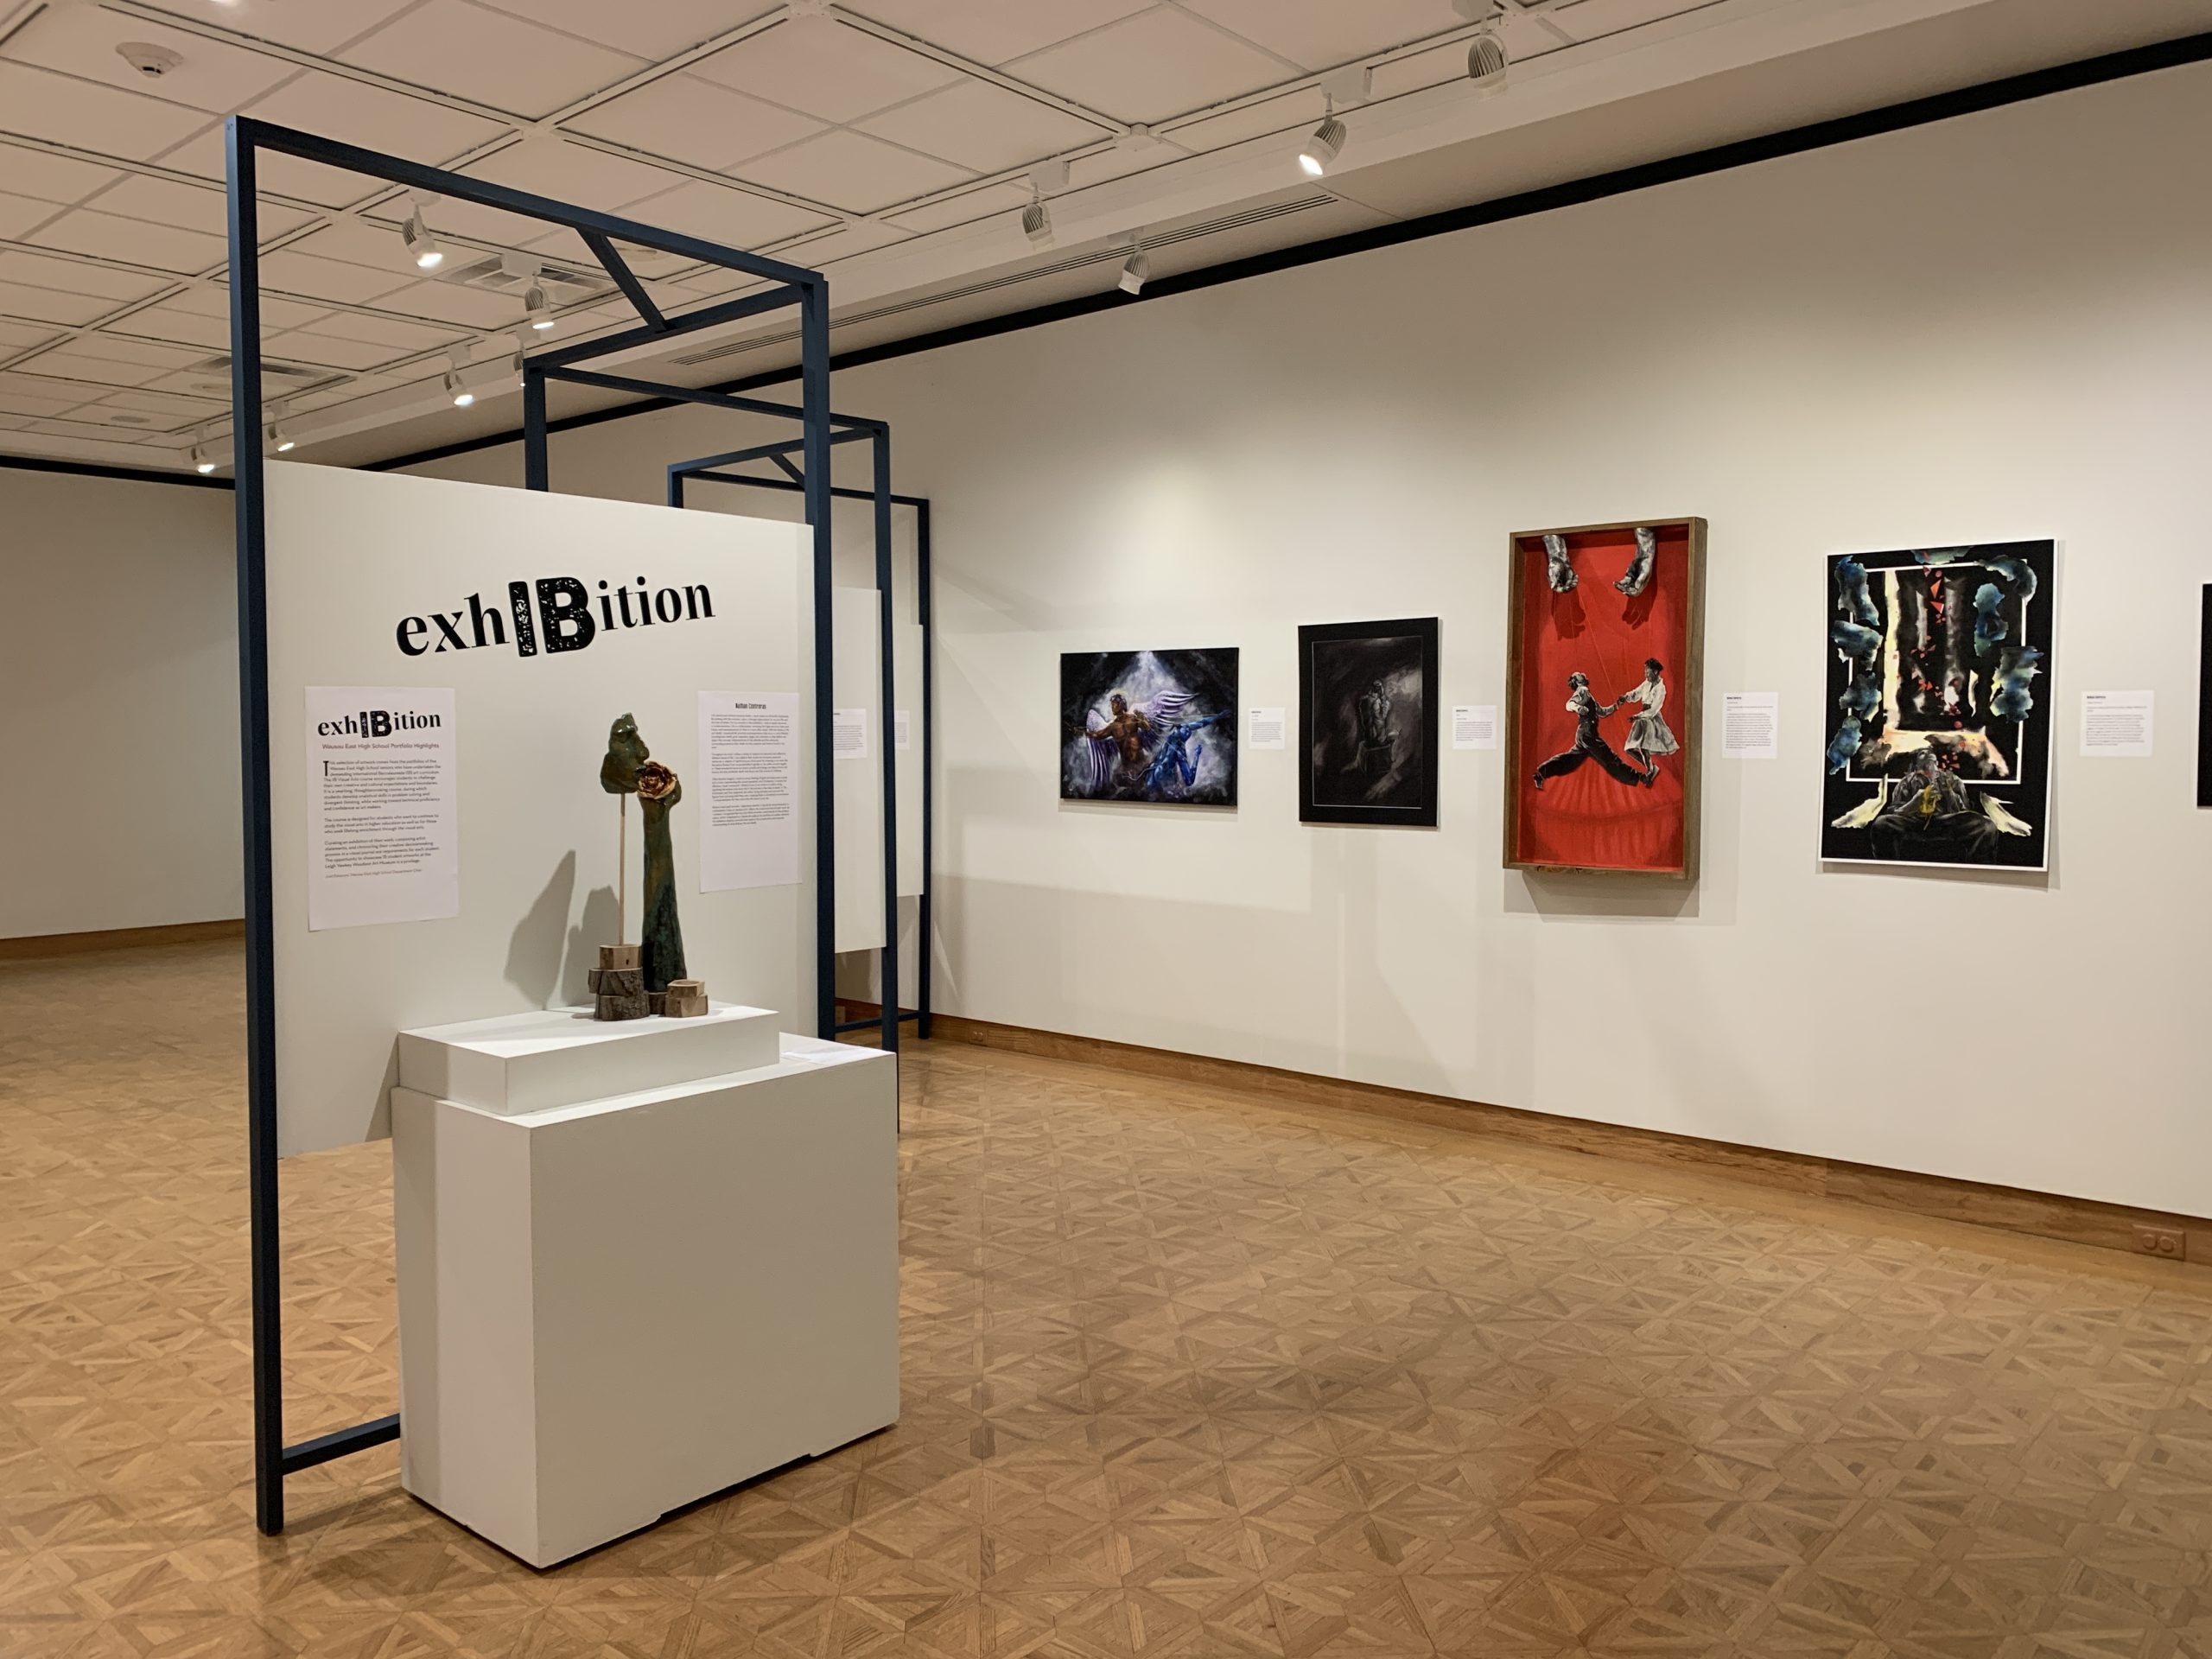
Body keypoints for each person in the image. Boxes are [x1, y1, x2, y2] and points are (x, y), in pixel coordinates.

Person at [1869, 748, 1999, 859]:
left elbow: (1966, 812)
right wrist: (1914, 804)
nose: (1928, 767)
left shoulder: (1953, 780)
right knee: (1881, 823)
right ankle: (1888, 870)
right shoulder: (1906, 782)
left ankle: (1977, 872)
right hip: (1914, 824)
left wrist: (1949, 793)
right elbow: (1893, 813)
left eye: (1931, 761)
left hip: (1947, 823)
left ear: (1937, 763)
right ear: (1917, 766)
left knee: (1987, 825)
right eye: (1923, 761)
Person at [1532, 671, 1647, 789]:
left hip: (1584, 733)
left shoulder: (1587, 694)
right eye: (1578, 675)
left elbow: (1602, 712)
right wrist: (1579, 708)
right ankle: (1640, 777)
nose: (1581, 673)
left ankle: (1541, 773)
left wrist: (1616, 705)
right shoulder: (1582, 690)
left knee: (1569, 761)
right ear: (1577, 681)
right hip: (1587, 733)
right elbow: (1569, 704)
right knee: (1609, 758)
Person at [1615, 658, 1676, 785]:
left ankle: (1650, 771)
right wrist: (1625, 697)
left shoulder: (1661, 689)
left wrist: (1638, 716)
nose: (1646, 675)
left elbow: (1654, 709)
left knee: (1643, 748)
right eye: (1645, 672)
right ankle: (1651, 768)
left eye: (1648, 672)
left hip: (1651, 719)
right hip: (1642, 718)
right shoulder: (1647, 684)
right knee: (1630, 748)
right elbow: (1636, 693)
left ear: (1655, 672)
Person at [1343, 677, 1394, 776]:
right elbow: (1381, 717)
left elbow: (1363, 718)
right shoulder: (1377, 702)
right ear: (1379, 689)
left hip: (1368, 734)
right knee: (1388, 737)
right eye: (1381, 688)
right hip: (1378, 735)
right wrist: (1386, 706)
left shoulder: (1365, 700)